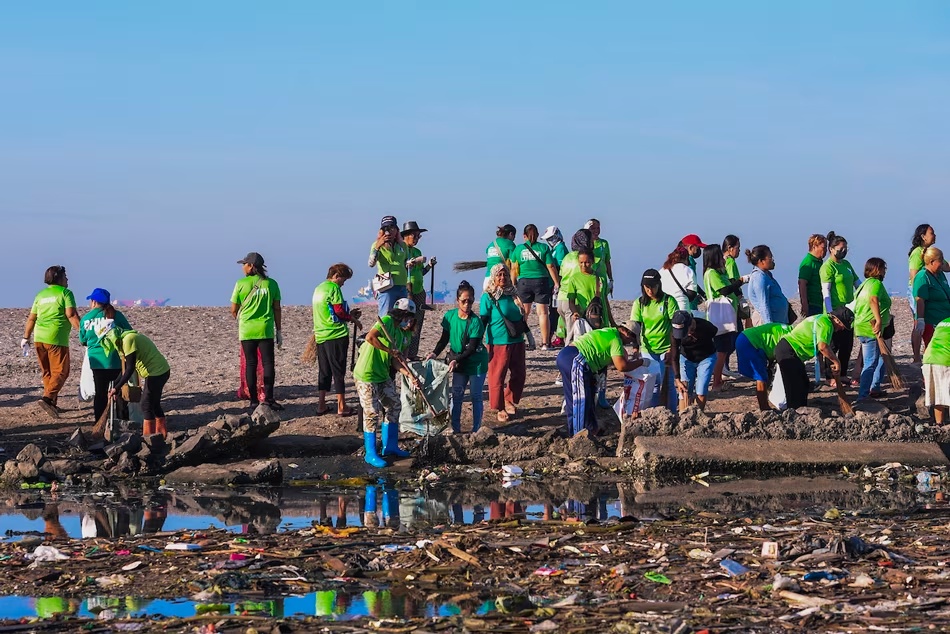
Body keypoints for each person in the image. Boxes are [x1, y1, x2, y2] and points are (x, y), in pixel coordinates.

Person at [353, 298, 420, 467]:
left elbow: (396, 361)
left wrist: (409, 375)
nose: (409, 320)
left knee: (394, 404)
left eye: (411, 318)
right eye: (406, 316)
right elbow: (370, 337)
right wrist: (389, 350)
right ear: (400, 314)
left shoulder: (404, 335)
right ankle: (370, 453)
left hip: (382, 375)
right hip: (367, 374)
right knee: (372, 412)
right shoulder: (387, 322)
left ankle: (389, 446)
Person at [556, 323, 643, 436]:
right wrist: (641, 362)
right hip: (576, 359)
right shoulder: (615, 339)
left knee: (589, 395)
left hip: (569, 356)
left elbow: (601, 353)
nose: (629, 343)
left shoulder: (608, 331)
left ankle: (591, 428)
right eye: (631, 340)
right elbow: (622, 366)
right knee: (580, 400)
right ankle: (578, 436)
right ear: (626, 333)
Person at [21, 265, 80, 418]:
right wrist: (84, 332)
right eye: (65, 277)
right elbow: (71, 315)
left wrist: (25, 337)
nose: (67, 279)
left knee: (47, 372)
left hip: (39, 338)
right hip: (56, 338)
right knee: (61, 372)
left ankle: (52, 404)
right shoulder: (65, 293)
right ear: (59, 278)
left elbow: (32, 317)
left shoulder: (40, 295)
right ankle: (47, 399)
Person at [429, 280, 488, 433]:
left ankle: (476, 430)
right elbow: (444, 339)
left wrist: (455, 360)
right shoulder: (449, 317)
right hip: (459, 363)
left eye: (470, 301)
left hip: (476, 363)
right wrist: (435, 353)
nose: (467, 304)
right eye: (464, 301)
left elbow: (472, 348)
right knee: (457, 396)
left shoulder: (476, 322)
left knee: (476, 396)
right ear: (458, 301)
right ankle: (456, 429)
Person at [98, 320, 171, 437]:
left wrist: (116, 388)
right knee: (154, 404)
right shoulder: (120, 343)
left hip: (157, 372)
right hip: (155, 372)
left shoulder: (128, 339)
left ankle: (149, 438)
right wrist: (114, 386)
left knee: (146, 404)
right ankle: (161, 436)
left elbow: (130, 369)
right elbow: (125, 369)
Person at [231, 252, 282, 411]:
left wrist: (242, 320)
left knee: (251, 364)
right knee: (268, 363)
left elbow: (233, 309)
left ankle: (253, 400)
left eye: (244, 264)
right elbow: (276, 308)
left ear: (251, 266)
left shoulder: (241, 283)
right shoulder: (271, 284)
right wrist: (279, 330)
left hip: (247, 330)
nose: (242, 267)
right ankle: (269, 397)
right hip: (265, 328)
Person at [773, 308, 853, 409]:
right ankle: (795, 412)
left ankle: (801, 408)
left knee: (804, 383)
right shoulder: (827, 325)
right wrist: (836, 361)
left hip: (789, 350)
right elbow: (823, 347)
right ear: (837, 320)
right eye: (842, 325)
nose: (842, 329)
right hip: (789, 351)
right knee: (795, 386)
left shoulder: (822, 318)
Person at [479, 264, 527, 423]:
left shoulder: (514, 293)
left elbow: (522, 315)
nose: (502, 278)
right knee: (497, 376)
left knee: (519, 374)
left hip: (517, 339)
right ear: (493, 277)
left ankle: (509, 399)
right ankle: (499, 407)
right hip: (498, 342)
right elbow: (484, 320)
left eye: (505, 274)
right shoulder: (489, 296)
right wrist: (479, 340)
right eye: (499, 275)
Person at [312, 263, 362, 416]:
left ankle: (321, 404)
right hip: (336, 334)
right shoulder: (333, 288)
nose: (343, 284)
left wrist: (349, 315)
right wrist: (353, 319)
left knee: (324, 371)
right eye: (343, 280)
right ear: (336, 276)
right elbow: (339, 311)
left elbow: (330, 311)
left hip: (321, 334)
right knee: (338, 370)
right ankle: (342, 405)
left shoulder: (319, 288)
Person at [78, 288, 133, 424]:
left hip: (97, 363)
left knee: (100, 394)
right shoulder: (116, 315)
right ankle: (122, 421)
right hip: (116, 361)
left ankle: (100, 422)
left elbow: (83, 340)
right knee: (119, 392)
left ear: (94, 302)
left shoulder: (86, 319)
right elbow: (130, 333)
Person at [629, 269, 679, 410]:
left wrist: (672, 349)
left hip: (666, 347)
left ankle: (672, 413)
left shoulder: (669, 301)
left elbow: (675, 327)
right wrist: (635, 348)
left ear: (659, 284)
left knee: (668, 382)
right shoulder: (639, 303)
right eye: (647, 287)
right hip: (648, 348)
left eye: (653, 286)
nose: (650, 290)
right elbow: (635, 327)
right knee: (653, 383)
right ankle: (655, 413)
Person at [703, 245, 748, 390]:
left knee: (724, 348)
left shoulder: (718, 272)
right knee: (721, 350)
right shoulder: (711, 273)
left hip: (726, 314)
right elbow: (724, 290)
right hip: (719, 315)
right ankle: (716, 382)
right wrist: (740, 281)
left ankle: (718, 380)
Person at [511, 224, 560, 349]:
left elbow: (514, 268)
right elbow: (551, 266)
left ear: (524, 236)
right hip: (541, 281)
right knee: (543, 313)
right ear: (538, 235)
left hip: (524, 282)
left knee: (524, 313)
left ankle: (520, 341)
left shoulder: (518, 249)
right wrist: (556, 282)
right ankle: (545, 343)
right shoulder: (543, 248)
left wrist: (513, 283)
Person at [820, 232, 859, 387]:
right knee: (833, 345)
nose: (843, 251)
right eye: (841, 248)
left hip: (849, 310)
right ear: (831, 249)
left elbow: (857, 283)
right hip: (835, 311)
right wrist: (830, 313)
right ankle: (830, 376)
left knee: (847, 344)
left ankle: (842, 374)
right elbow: (826, 291)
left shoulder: (847, 265)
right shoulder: (827, 267)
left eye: (846, 248)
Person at [853, 258, 891, 401]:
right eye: (883, 269)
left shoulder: (864, 284)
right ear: (878, 269)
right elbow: (873, 300)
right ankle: (862, 396)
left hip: (861, 326)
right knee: (870, 362)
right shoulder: (875, 284)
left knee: (882, 357)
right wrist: (879, 320)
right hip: (870, 328)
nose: (885, 272)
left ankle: (875, 387)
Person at [736, 322, 793, 410]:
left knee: (765, 374)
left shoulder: (789, 330)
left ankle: (764, 401)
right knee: (761, 377)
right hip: (751, 342)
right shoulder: (792, 338)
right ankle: (764, 408)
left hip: (746, 337)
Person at [558, 249, 609, 345]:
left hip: (600, 317)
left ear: (592, 262)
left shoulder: (600, 279)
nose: (584, 265)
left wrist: (611, 321)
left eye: (587, 262)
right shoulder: (574, 278)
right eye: (581, 262)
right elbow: (571, 301)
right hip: (585, 318)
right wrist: (575, 312)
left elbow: (605, 301)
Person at [669, 311, 718, 410]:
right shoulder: (675, 335)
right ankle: (683, 418)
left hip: (706, 357)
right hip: (686, 358)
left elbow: (715, 334)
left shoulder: (706, 326)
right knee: (684, 390)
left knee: (701, 389)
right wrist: (677, 379)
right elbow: (674, 357)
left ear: (691, 323)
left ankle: (698, 417)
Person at [402, 221, 436, 360]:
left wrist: (429, 266)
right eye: (414, 235)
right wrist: (409, 263)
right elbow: (401, 268)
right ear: (406, 236)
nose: (416, 238)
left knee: (418, 322)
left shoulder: (417, 252)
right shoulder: (402, 250)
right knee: (406, 321)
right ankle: (404, 351)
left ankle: (412, 353)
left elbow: (420, 272)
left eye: (418, 236)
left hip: (419, 290)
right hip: (406, 289)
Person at [369, 216, 410, 318]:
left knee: (402, 316)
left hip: (401, 284)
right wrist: (378, 246)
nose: (390, 231)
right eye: (386, 228)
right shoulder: (376, 245)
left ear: (397, 230)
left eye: (392, 227)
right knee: (386, 315)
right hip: (386, 286)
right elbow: (371, 263)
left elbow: (406, 262)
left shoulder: (402, 245)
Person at [909, 225, 936, 363]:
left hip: (928, 291)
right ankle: (916, 356)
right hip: (918, 291)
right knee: (918, 322)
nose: (934, 235)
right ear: (923, 236)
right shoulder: (917, 252)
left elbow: (945, 266)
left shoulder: (931, 252)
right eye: (931, 233)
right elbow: (913, 276)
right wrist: (917, 295)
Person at [913, 247, 950, 347]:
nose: (942, 264)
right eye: (940, 261)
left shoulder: (940, 274)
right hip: (933, 321)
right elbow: (920, 300)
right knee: (934, 348)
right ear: (931, 261)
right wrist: (920, 321)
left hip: (945, 320)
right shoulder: (922, 276)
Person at [746, 245, 790, 325]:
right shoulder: (759, 277)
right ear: (761, 261)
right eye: (770, 258)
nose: (773, 260)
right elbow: (763, 304)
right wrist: (770, 327)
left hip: (778, 322)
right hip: (766, 322)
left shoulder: (767, 275)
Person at [541, 225, 568, 347]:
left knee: (556, 311)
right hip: (553, 283)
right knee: (553, 310)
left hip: (558, 284)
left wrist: (558, 284)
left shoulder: (561, 248)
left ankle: (559, 336)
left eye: (551, 238)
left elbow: (560, 268)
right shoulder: (554, 249)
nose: (549, 241)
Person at [923, 317, 950, 425]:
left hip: (929, 358)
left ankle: (939, 425)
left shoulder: (943, 322)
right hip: (945, 359)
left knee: (938, 395)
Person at [660, 246, 700, 312]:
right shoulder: (687, 270)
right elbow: (692, 295)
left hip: (665, 310)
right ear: (686, 258)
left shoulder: (662, 271)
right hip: (682, 309)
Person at [798, 234, 827, 319]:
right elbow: (802, 283)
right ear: (814, 247)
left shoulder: (819, 262)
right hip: (813, 304)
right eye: (823, 248)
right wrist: (805, 304)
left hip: (821, 303)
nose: (825, 251)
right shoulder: (809, 262)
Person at [679, 234, 708, 311]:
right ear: (691, 247)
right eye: (698, 248)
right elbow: (692, 282)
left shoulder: (677, 261)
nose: (699, 251)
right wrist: (704, 295)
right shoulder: (689, 261)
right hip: (690, 303)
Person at [585, 219, 614, 295]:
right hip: (589, 277)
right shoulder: (585, 244)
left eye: (598, 228)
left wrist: (611, 279)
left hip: (602, 278)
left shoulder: (604, 243)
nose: (596, 230)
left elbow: (607, 262)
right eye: (593, 228)